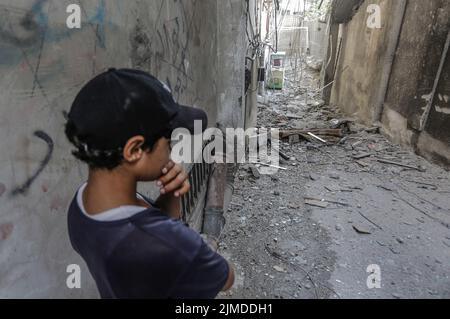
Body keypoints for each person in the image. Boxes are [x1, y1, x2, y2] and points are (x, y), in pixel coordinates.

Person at [64, 68, 234, 299]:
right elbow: (226, 278)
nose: (173, 146)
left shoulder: (81, 205)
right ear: (134, 150)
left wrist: (172, 192)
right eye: (169, 137)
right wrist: (183, 240)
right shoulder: (169, 244)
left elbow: (156, 226)